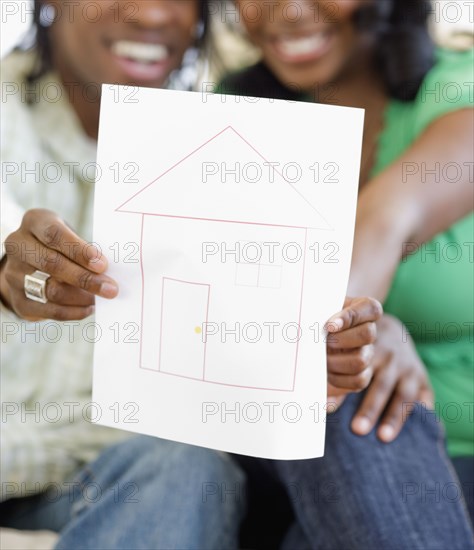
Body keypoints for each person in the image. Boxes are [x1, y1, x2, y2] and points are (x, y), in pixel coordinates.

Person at [0, 1, 382, 548]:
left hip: (104, 475)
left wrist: (312, 354)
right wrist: (10, 274)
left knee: (193, 473)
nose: (152, 14)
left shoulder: (223, 143)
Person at [218, 0, 474, 546]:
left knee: (331, 369)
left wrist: (349, 329)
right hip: (289, 456)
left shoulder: (459, 92)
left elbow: (389, 219)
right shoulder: (232, 117)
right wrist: (366, 336)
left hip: (458, 457)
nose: (286, 11)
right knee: (327, 380)